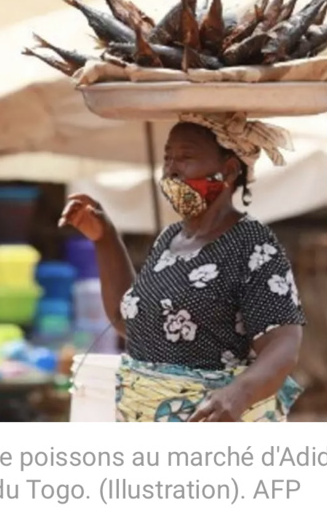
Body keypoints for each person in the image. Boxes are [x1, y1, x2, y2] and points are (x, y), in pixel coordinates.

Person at [59, 112, 305, 422]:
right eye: (168, 158)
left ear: (228, 171)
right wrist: (104, 237)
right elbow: (130, 323)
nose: (172, 170)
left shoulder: (252, 244)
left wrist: (239, 393)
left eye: (186, 157)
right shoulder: (170, 239)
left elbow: (283, 342)